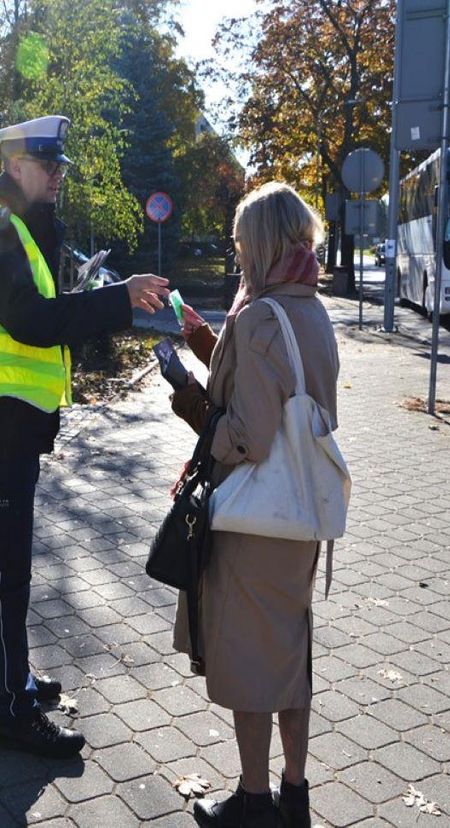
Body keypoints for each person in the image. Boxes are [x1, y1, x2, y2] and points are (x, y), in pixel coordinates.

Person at [0, 114, 168, 758]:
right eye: (48, 166)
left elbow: (42, 313)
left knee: (5, 564)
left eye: (60, 168)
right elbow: (31, 323)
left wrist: (100, 296)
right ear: (15, 166)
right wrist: (117, 299)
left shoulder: (17, 231)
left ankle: (2, 676)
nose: (58, 177)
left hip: (11, 426)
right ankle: (14, 711)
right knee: (4, 570)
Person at [167, 182, 339, 827]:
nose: (237, 253)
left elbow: (245, 435)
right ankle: (293, 793)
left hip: (255, 519)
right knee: (290, 655)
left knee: (251, 656)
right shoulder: (309, 309)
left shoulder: (262, 315)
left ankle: (252, 800)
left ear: (261, 242)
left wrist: (188, 394)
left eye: (242, 242)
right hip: (299, 512)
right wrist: (212, 347)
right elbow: (279, 389)